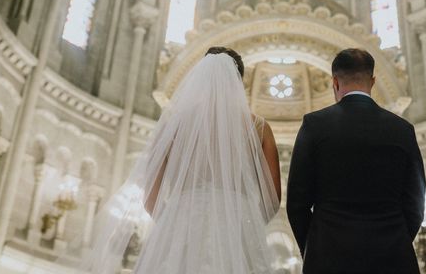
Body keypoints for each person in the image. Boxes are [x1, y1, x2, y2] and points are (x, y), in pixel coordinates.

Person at [78, 47, 281, 274]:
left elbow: (150, 199)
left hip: (181, 229)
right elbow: (273, 199)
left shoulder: (173, 125)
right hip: (238, 230)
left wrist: (173, 224)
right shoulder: (260, 128)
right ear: (239, 82)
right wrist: (245, 224)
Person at [286, 48, 425, 273]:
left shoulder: (315, 125)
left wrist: (315, 249)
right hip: (392, 258)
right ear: (372, 81)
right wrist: (395, 240)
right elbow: (416, 204)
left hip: (329, 258)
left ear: (335, 82)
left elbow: (296, 204)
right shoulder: (402, 129)